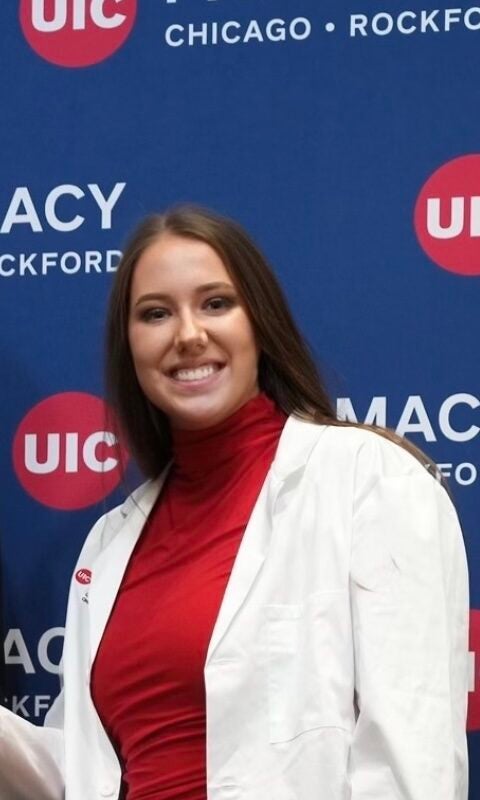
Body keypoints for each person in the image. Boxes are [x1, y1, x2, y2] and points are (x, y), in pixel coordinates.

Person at [0, 205, 469, 800]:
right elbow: (79, 771)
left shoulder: (369, 480)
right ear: (130, 344)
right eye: (155, 313)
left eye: (216, 303)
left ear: (260, 322)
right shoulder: (111, 542)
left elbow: (414, 761)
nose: (188, 334)